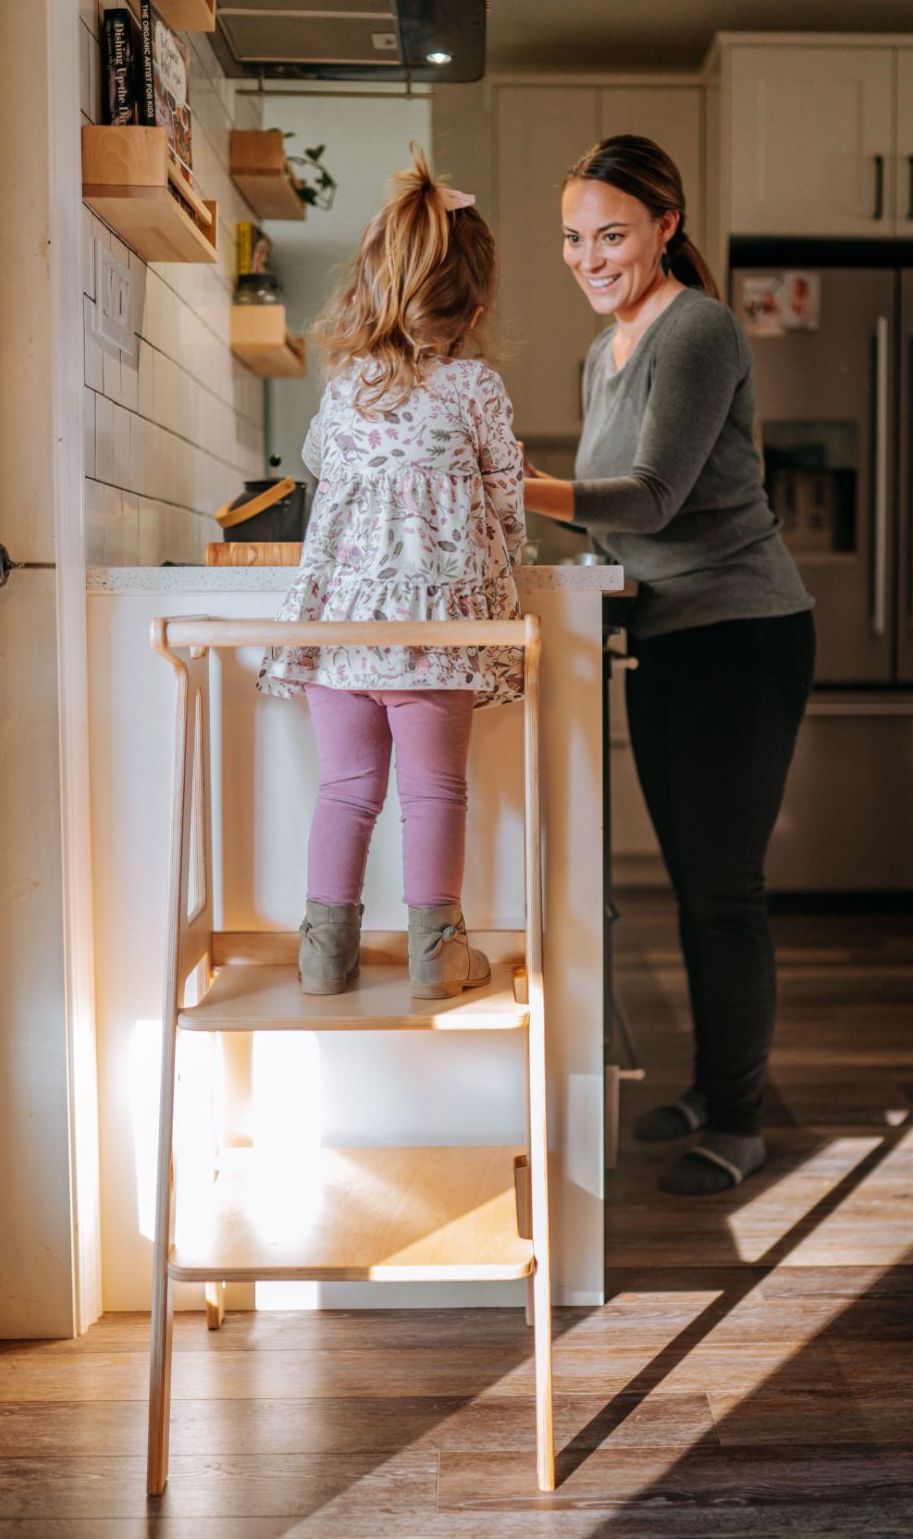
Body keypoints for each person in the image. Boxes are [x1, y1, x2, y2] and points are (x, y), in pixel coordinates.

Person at [522, 135, 815, 1196]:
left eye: (611, 234)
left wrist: (515, 481)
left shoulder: (698, 331)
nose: (589, 257)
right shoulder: (601, 353)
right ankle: (713, 1087)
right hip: (664, 637)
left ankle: (739, 1124)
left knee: (722, 890)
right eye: (573, 238)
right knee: (693, 886)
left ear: (664, 229)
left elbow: (650, 498)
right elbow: (618, 533)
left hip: (739, 633)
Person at [258, 148, 525, 1001]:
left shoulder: (343, 387)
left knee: (345, 790)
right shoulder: (475, 389)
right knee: (434, 794)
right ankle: (434, 957)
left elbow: (314, 466)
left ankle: (322, 957)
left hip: (339, 633)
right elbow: (510, 509)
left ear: (373, 284)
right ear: (476, 302)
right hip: (434, 635)